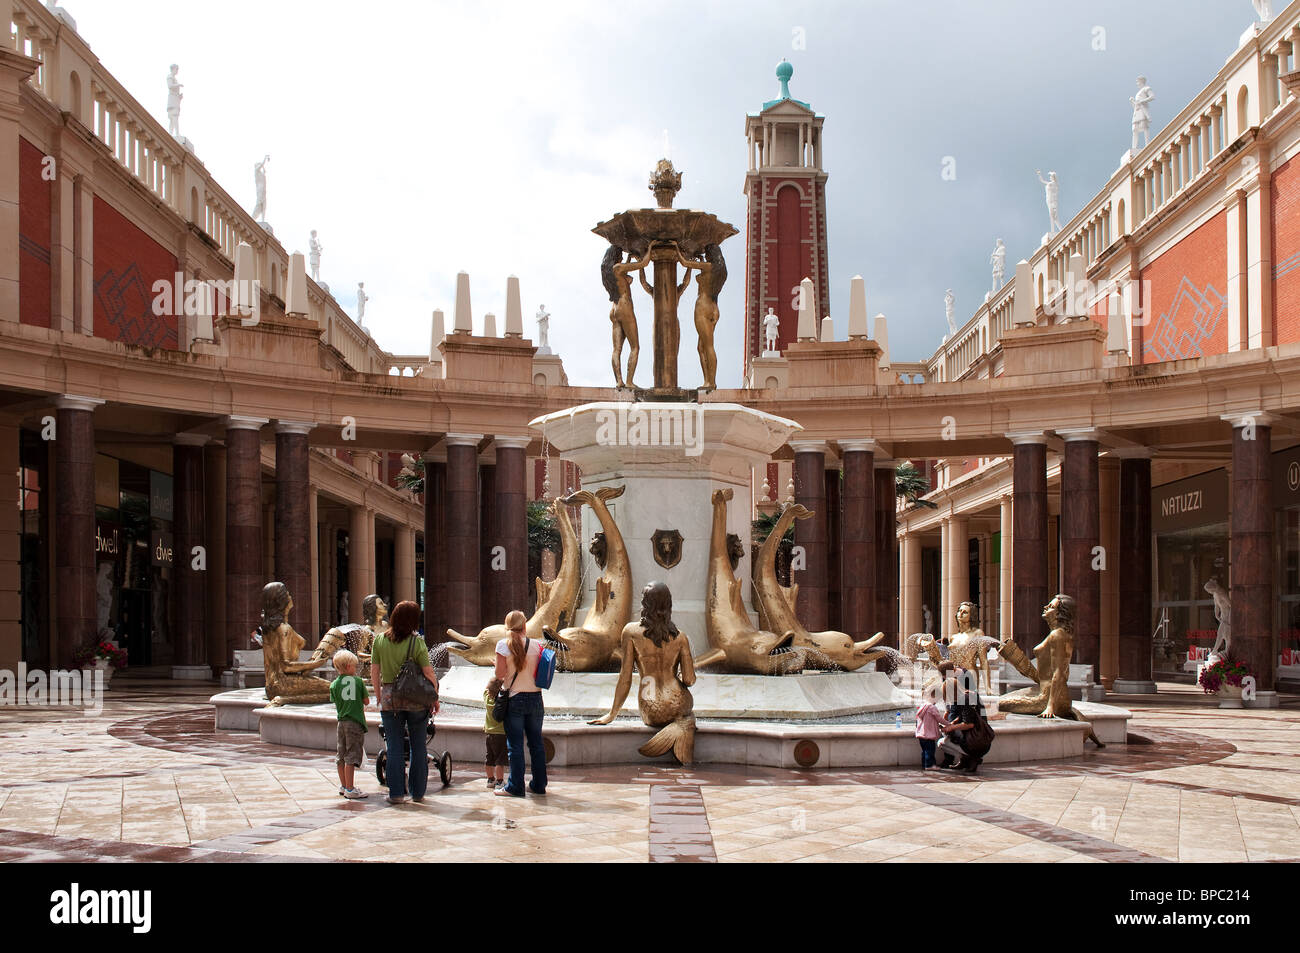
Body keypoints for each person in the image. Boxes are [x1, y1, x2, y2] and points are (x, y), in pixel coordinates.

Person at [369, 600, 439, 804]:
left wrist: (379, 695)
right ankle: (417, 793)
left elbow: (374, 671)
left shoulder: (379, 640)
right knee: (418, 746)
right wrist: (434, 697)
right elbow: (428, 673)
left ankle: (396, 794)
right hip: (416, 699)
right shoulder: (417, 642)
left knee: (394, 747)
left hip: (390, 698)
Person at [494, 609, 547, 797]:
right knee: (536, 744)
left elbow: (500, 675)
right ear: (524, 625)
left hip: (514, 698)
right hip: (536, 698)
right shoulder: (537, 645)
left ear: (507, 626)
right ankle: (539, 785)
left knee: (515, 745)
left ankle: (516, 786)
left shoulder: (503, 645)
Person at [329, 649, 370, 799]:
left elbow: (335, 701)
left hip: (341, 722)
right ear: (348, 666)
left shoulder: (334, 685)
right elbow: (366, 701)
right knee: (351, 755)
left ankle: (343, 786)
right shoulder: (358, 682)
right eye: (354, 666)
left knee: (341, 754)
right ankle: (351, 789)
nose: (356, 668)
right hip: (355, 722)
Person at [914, 680, 948, 770]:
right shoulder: (932, 708)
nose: (937, 702)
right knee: (930, 750)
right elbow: (939, 719)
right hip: (929, 735)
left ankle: (924, 764)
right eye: (938, 699)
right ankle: (929, 765)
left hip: (921, 734)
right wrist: (948, 723)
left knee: (924, 750)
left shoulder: (923, 706)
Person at [483, 676, 507, 790]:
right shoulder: (501, 701)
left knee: (489, 758)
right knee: (499, 760)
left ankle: (490, 779)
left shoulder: (486, 697)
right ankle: (500, 781)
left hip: (489, 732)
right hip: (501, 733)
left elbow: (486, 690)